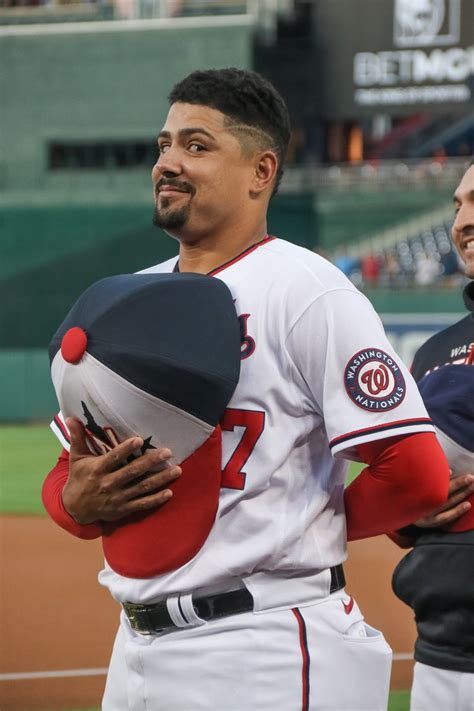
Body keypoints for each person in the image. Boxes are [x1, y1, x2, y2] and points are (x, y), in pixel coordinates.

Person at [42, 68, 450, 711]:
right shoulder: (132, 296)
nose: (168, 162)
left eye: (196, 145)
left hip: (265, 641)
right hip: (136, 644)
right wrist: (76, 500)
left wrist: (306, 528)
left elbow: (415, 473)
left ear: (261, 171)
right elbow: (69, 476)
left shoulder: (308, 291)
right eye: (164, 144)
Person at [390, 160, 474, 711]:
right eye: (458, 205)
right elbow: (397, 503)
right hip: (441, 654)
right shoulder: (435, 352)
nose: (462, 221)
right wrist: (411, 511)